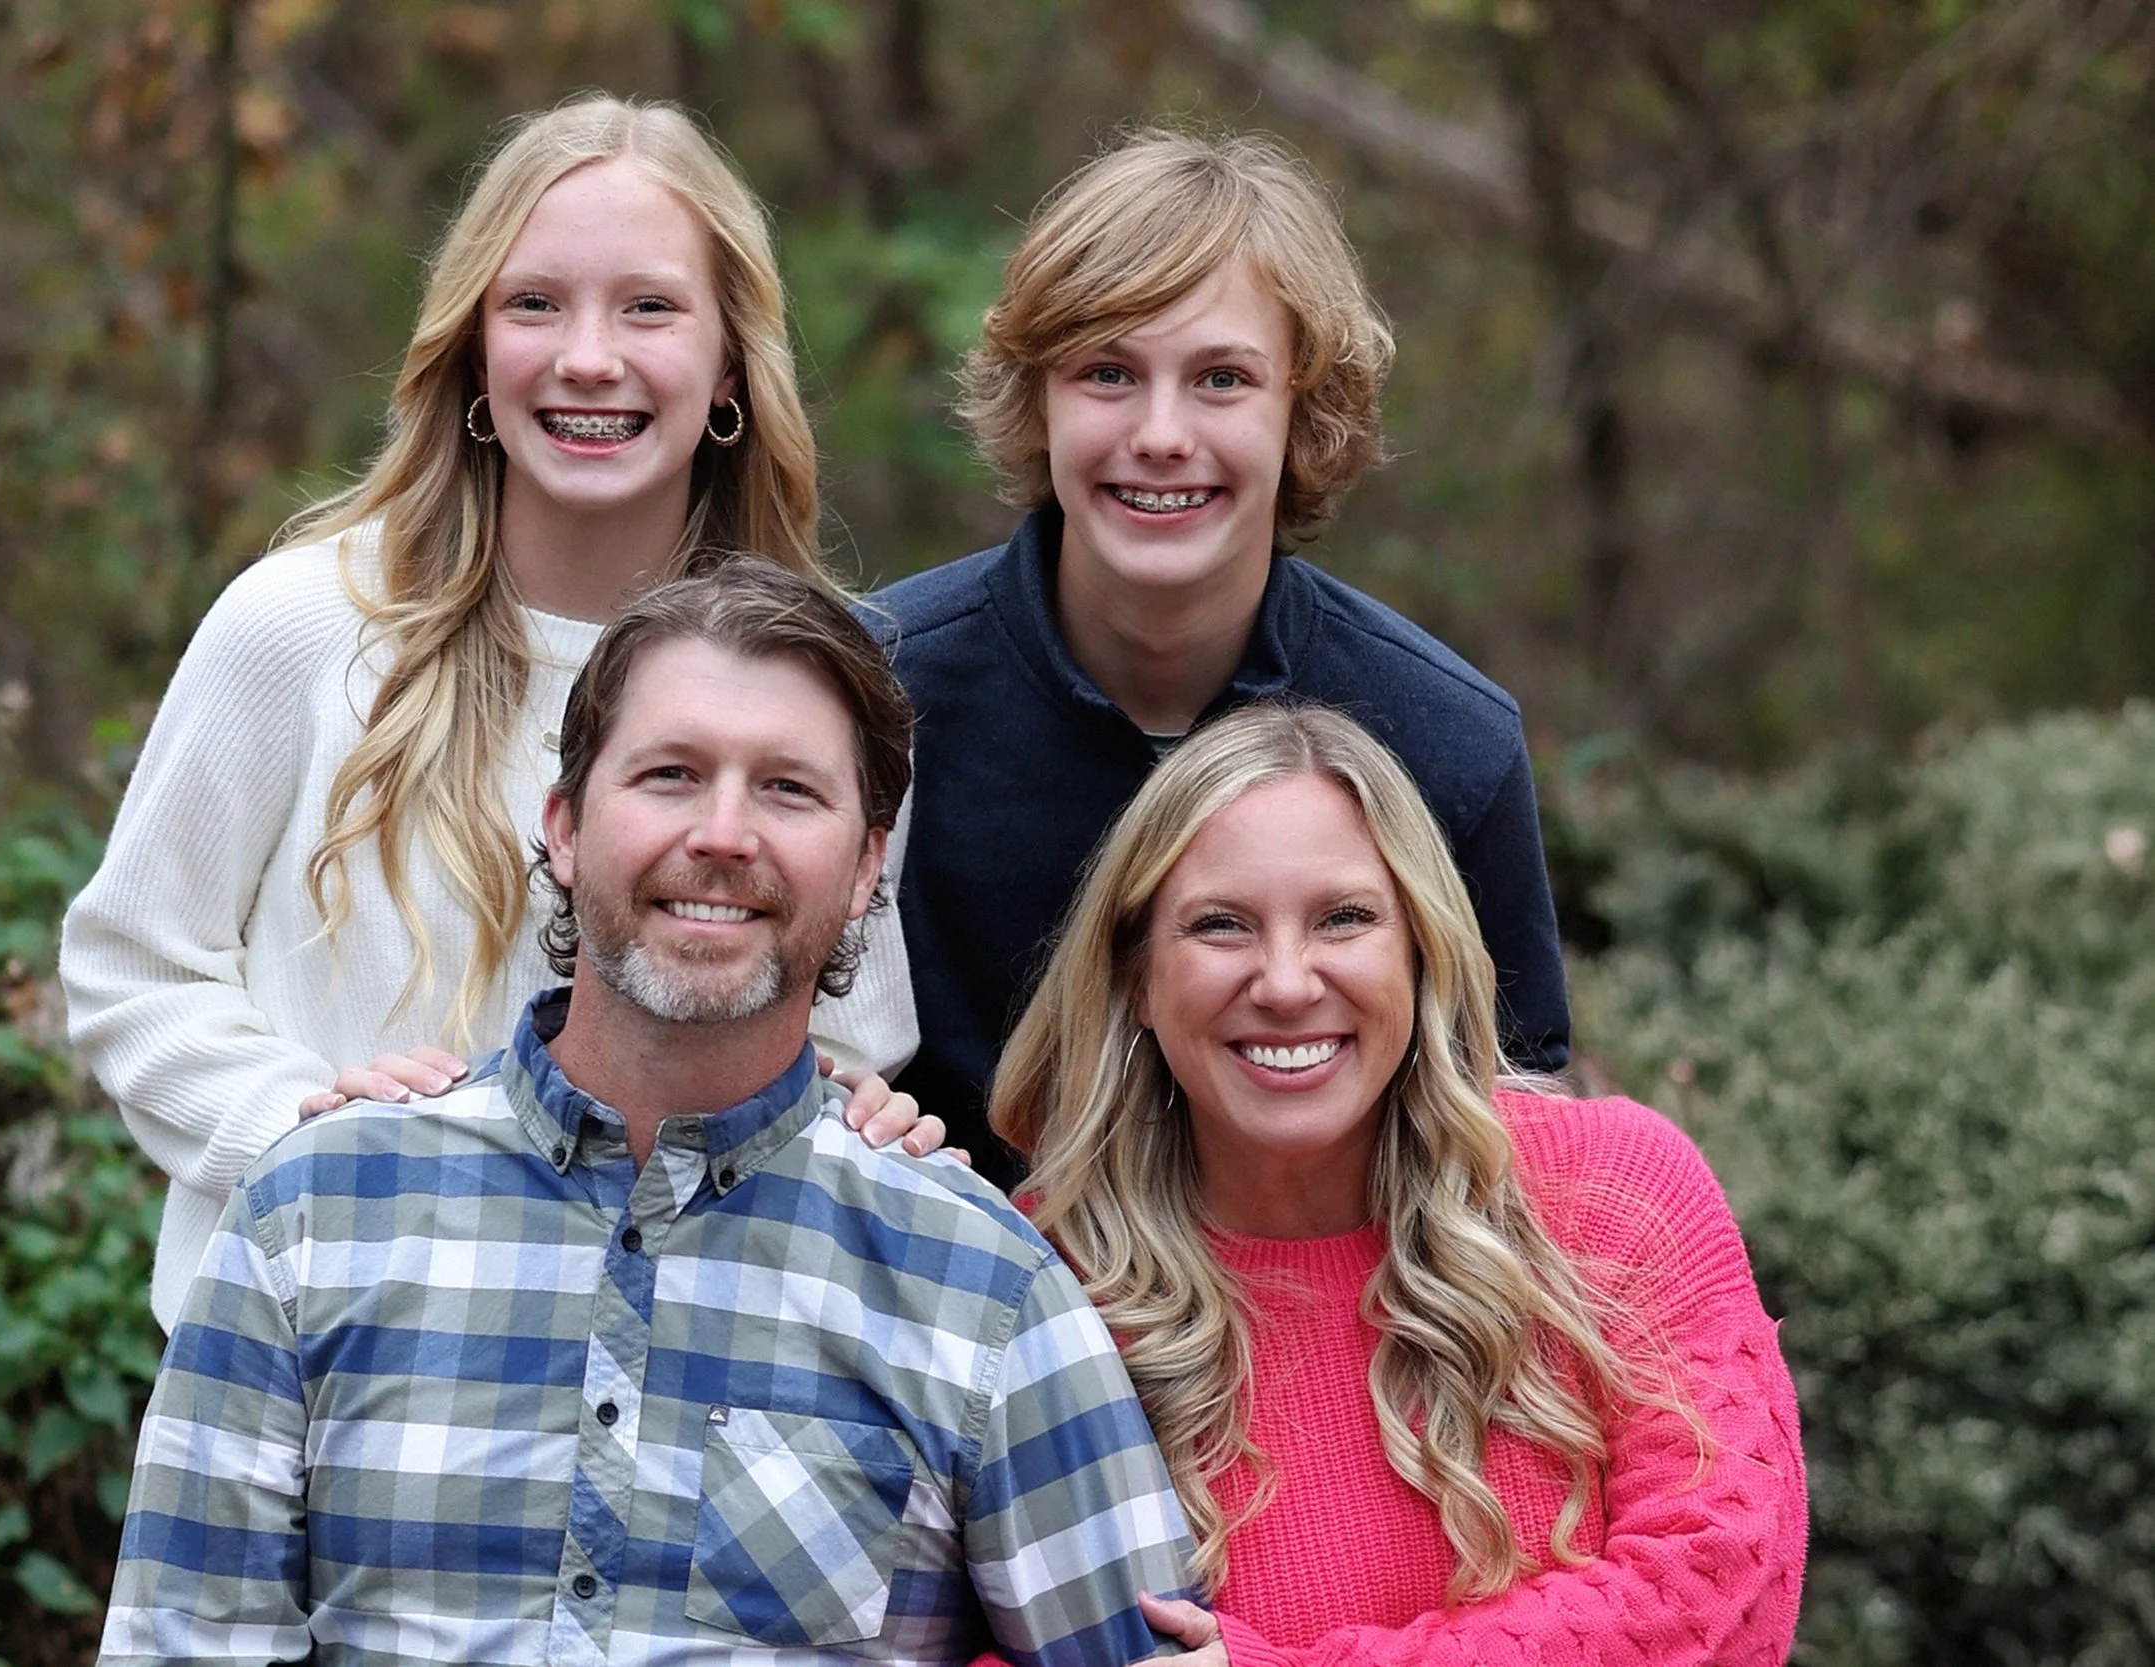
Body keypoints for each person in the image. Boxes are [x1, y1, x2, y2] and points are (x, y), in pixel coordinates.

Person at [97, 558, 1198, 1664]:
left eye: (788, 788)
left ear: (869, 862)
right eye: (671, 774)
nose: (723, 833)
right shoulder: (313, 1218)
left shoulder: (981, 1290)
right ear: (565, 826)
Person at [60, 96, 925, 1333]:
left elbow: (845, 1032)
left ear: (731, 363)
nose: (589, 357)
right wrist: (307, 1128)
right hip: (317, 1357)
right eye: (534, 304)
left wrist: (856, 1106)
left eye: (649, 306)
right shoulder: (300, 628)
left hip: (662, 1374)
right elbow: (132, 964)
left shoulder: (822, 682)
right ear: (472, 349)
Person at [978, 701, 1805, 1666]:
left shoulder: (1615, 1187)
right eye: (1220, 925)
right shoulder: (1041, 1281)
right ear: (1136, 981)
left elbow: (1718, 1587)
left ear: (1421, 949)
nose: (1287, 982)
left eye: (1344, 918)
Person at [867, 130, 1571, 1185]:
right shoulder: (869, 700)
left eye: (1221, 379)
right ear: (1039, 397)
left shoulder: (1445, 741)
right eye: (1107, 372)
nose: (1161, 433)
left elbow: (1520, 1126)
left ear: (1303, 408)